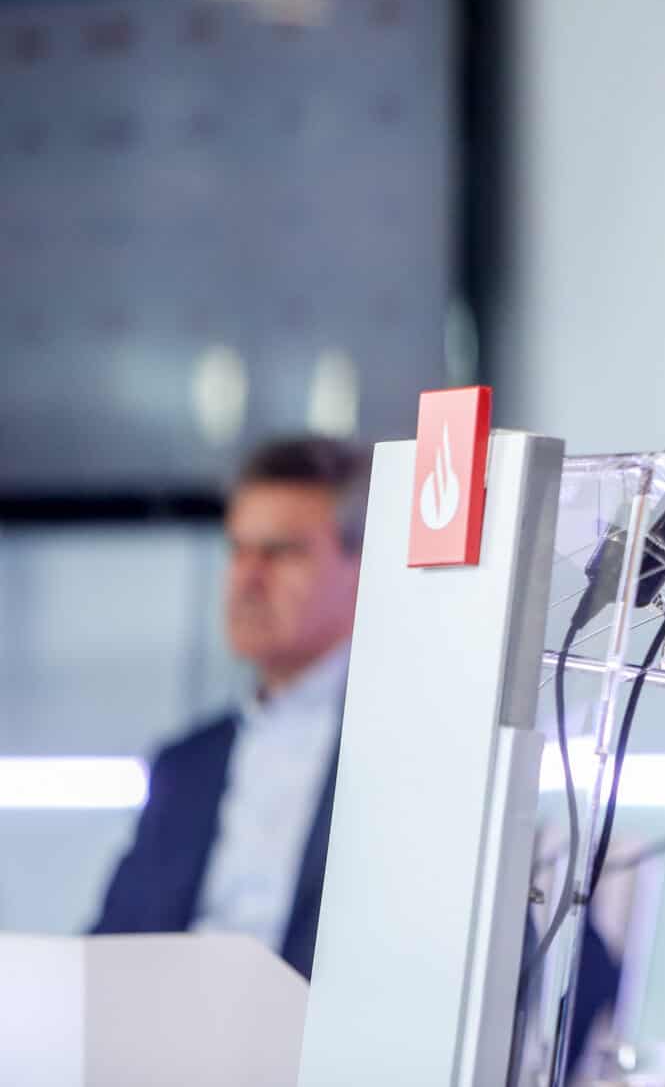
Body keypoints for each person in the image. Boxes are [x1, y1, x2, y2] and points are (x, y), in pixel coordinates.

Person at [90, 434, 618, 1060]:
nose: (245, 578)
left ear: (365, 566)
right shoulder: (187, 764)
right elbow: (105, 960)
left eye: (280, 552)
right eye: (237, 550)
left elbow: (564, 976)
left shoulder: (422, 747)